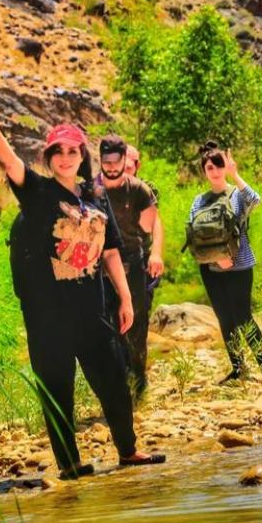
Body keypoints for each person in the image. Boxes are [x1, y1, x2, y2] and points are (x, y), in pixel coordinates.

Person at [0, 79, 164, 479]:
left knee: (114, 378)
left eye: (73, 150)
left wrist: (126, 299)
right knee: (58, 391)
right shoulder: (38, 192)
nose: (66, 157)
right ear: (49, 157)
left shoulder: (95, 197)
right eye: (58, 151)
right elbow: (10, 161)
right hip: (47, 317)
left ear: (83, 156)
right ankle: (70, 465)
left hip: (90, 309)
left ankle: (128, 451)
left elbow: (112, 250)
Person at [189, 142, 262, 383]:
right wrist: (217, 258)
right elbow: (194, 236)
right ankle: (238, 367)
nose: (215, 171)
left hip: (240, 265)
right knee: (224, 318)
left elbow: (256, 200)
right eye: (210, 167)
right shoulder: (199, 201)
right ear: (204, 171)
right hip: (210, 269)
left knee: (243, 316)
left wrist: (235, 174)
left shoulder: (236, 195)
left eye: (219, 166)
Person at [98, 135, 164, 400]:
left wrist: (155, 253)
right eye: (107, 161)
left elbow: (152, 225)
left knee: (136, 323)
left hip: (134, 262)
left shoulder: (140, 190)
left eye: (119, 161)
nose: (113, 167)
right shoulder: (90, 189)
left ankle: (138, 382)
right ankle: (118, 383)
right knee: (107, 325)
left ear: (128, 161)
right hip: (100, 266)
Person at [124, 143, 164, 301]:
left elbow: (156, 223)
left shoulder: (147, 189)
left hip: (141, 257)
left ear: (137, 166)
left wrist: (156, 254)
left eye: (128, 168)